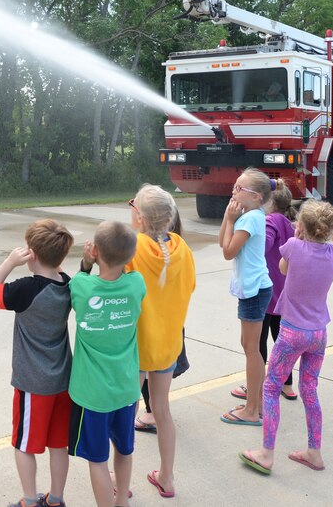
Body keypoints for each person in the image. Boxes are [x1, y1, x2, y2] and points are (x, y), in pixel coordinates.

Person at [239, 201, 333, 475]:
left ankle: (266, 453)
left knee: (271, 388)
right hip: (319, 332)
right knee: (310, 390)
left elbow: (282, 268)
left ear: (303, 228)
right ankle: (314, 452)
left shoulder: (294, 247)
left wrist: (297, 237)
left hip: (293, 331)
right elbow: (326, 239)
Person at [0, 219, 75, 507]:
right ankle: (56, 499)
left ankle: (30, 500)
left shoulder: (25, 289)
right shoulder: (67, 284)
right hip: (63, 380)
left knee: (24, 445)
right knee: (58, 444)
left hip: (33, 384)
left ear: (31, 253)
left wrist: (10, 262)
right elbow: (56, 268)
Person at [69, 221, 144, 507]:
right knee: (124, 450)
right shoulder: (137, 283)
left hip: (92, 395)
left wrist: (87, 263)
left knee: (97, 459)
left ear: (96, 250)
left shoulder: (82, 285)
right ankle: (121, 501)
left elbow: (80, 279)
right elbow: (124, 275)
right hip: (125, 390)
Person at [128, 185, 196, 499]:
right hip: (168, 345)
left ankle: (119, 479)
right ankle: (167, 477)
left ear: (139, 217)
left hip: (135, 346)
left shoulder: (132, 246)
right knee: (162, 409)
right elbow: (189, 285)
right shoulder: (181, 246)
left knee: (126, 413)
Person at [219, 169, 276, 425]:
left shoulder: (251, 218)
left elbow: (229, 252)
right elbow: (224, 242)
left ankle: (252, 410)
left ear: (255, 196)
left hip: (255, 290)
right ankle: (256, 402)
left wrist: (232, 221)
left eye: (239, 188)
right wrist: (228, 217)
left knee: (252, 350)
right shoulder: (248, 215)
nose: (234, 191)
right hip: (253, 289)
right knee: (248, 346)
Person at [258, 181, 298, 400]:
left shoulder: (270, 221)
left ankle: (255, 383)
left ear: (270, 201)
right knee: (282, 342)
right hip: (284, 293)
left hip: (267, 291)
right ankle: (287, 384)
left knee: (259, 341)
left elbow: (263, 245)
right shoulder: (290, 223)